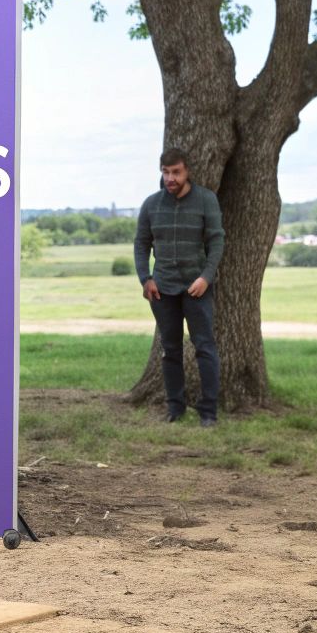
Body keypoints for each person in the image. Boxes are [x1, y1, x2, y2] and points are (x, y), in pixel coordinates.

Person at [132, 148, 224, 426]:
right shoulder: (151, 204)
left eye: (176, 172)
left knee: (205, 348)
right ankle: (175, 407)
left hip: (196, 288)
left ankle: (208, 412)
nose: (170, 178)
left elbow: (217, 241)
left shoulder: (206, 200)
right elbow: (141, 243)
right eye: (166, 172)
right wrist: (145, 278)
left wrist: (205, 277)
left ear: (187, 172)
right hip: (162, 290)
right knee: (170, 349)